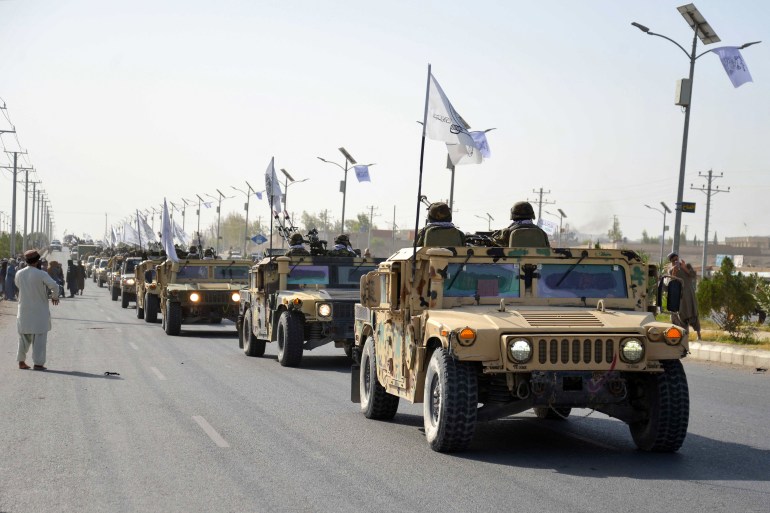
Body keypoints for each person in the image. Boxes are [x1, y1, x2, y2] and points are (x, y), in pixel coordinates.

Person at [14, 249, 60, 370]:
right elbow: (55, 286)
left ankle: (21, 362)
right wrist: (55, 297)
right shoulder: (41, 274)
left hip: (24, 311)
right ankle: (38, 364)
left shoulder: (19, 273)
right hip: (39, 312)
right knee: (39, 339)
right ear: (37, 261)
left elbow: (18, 286)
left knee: (23, 339)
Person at [667, 251, 701, 340]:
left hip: (690, 294)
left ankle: (699, 335)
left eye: (676, 259)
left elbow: (693, 275)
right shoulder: (671, 271)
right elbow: (671, 283)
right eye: (673, 261)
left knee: (694, 313)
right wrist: (674, 273)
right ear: (671, 262)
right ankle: (686, 336)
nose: (676, 261)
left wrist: (684, 268)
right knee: (683, 315)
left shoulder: (687, 266)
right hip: (681, 296)